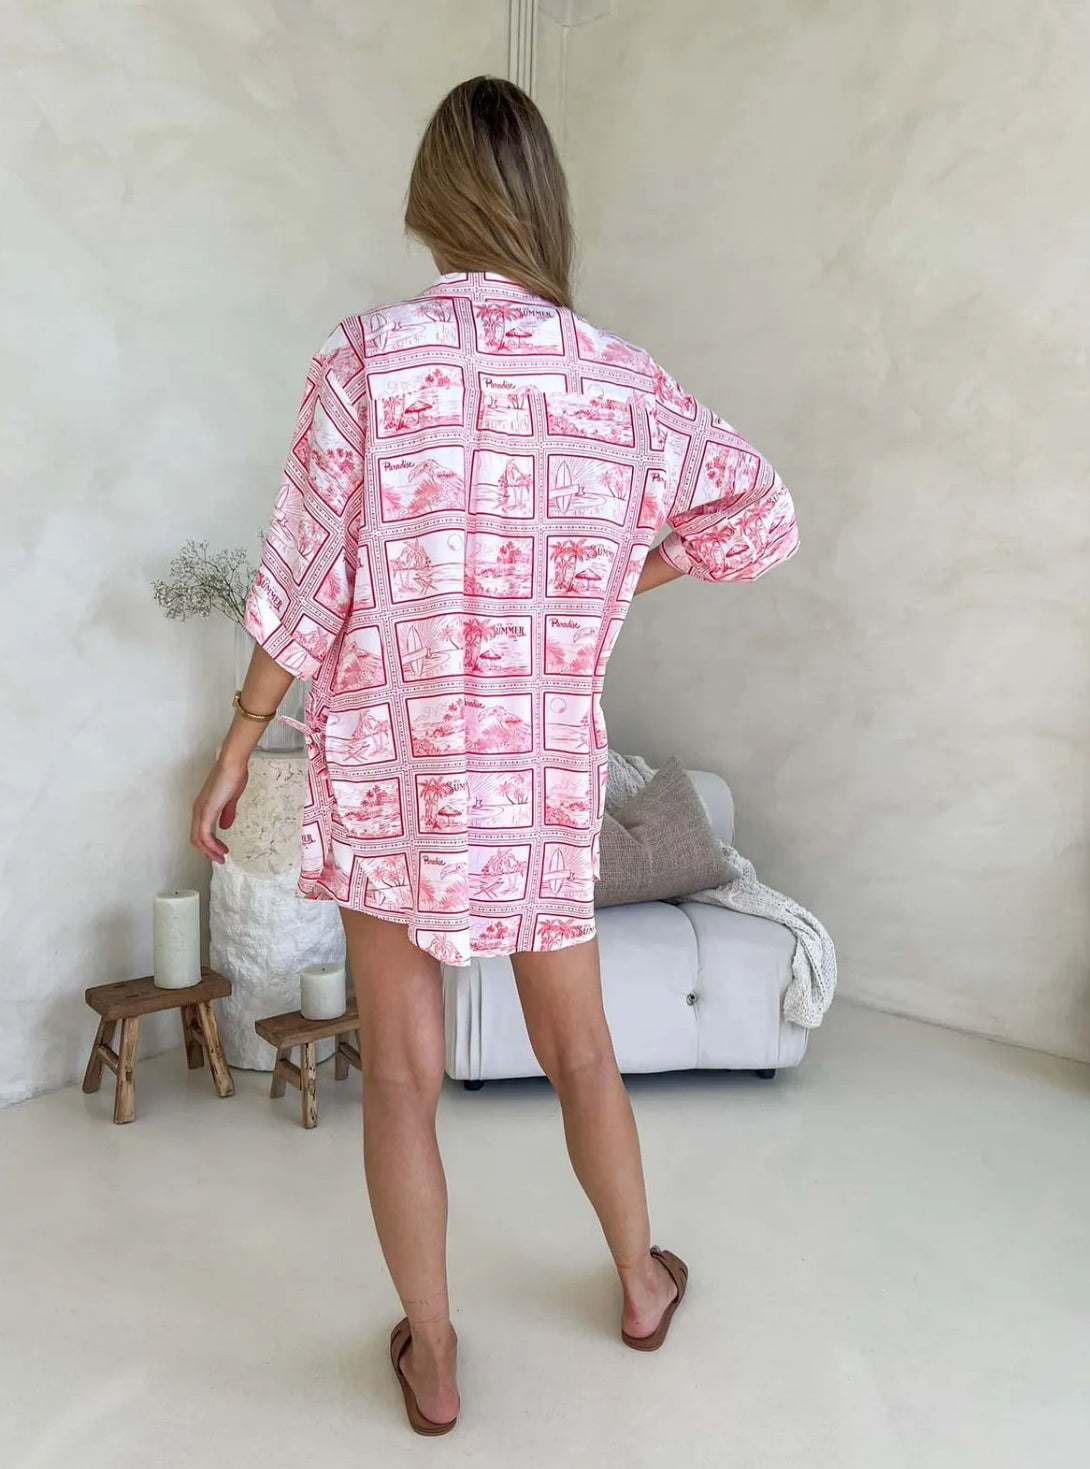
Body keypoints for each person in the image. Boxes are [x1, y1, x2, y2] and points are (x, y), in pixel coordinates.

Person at [191, 75, 798, 1435]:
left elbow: (305, 579)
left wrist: (239, 737)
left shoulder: (367, 359)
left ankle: (435, 1352)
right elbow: (758, 514)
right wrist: (609, 576)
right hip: (535, 775)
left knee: (403, 1077)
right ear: (543, 207)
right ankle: (638, 1282)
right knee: (582, 1052)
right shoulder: (620, 380)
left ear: (433, 199)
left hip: (391, 765)